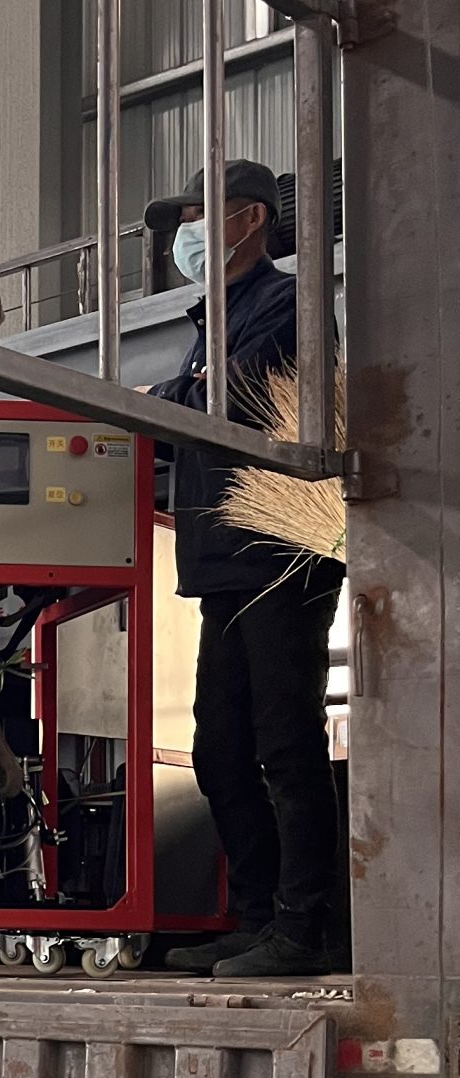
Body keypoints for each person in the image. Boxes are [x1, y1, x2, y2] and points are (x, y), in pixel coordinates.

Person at [146, 159, 342, 979]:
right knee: (219, 749)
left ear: (250, 218)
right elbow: (183, 402)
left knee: (285, 743)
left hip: (280, 554)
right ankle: (256, 918)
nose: (187, 233)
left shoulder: (286, 305)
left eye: (200, 214)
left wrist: (183, 394)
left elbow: (231, 399)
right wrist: (184, 391)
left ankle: (305, 930)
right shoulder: (212, 321)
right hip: (224, 560)